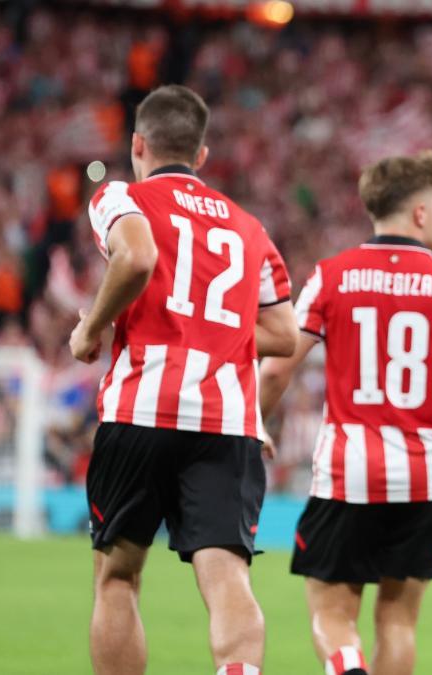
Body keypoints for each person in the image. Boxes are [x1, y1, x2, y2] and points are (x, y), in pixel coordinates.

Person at [257, 151, 432, 675]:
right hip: (424, 472)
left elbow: (274, 370)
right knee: (398, 621)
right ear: (420, 212)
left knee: (332, 612)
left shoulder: (332, 276)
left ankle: (347, 666)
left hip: (348, 470)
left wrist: (255, 422)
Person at [71, 84, 297, 675]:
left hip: (141, 407)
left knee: (118, 576)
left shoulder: (121, 196)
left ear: (138, 144)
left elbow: (137, 256)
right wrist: (209, 324)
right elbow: (283, 334)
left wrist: (91, 328)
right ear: (200, 155)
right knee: (226, 573)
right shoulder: (250, 229)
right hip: (226, 418)